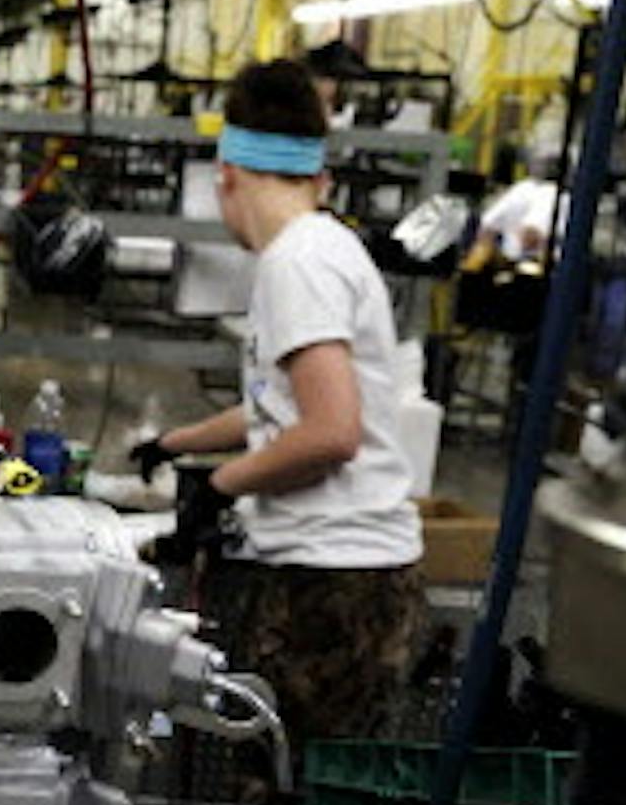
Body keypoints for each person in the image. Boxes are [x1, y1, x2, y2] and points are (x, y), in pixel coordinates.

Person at [132, 60, 427, 759]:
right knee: (293, 794)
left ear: (227, 175)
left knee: (284, 803)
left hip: (335, 578)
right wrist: (179, 442)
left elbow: (330, 431)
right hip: (345, 573)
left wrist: (219, 488)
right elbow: (280, 405)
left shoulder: (299, 264)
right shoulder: (315, 250)